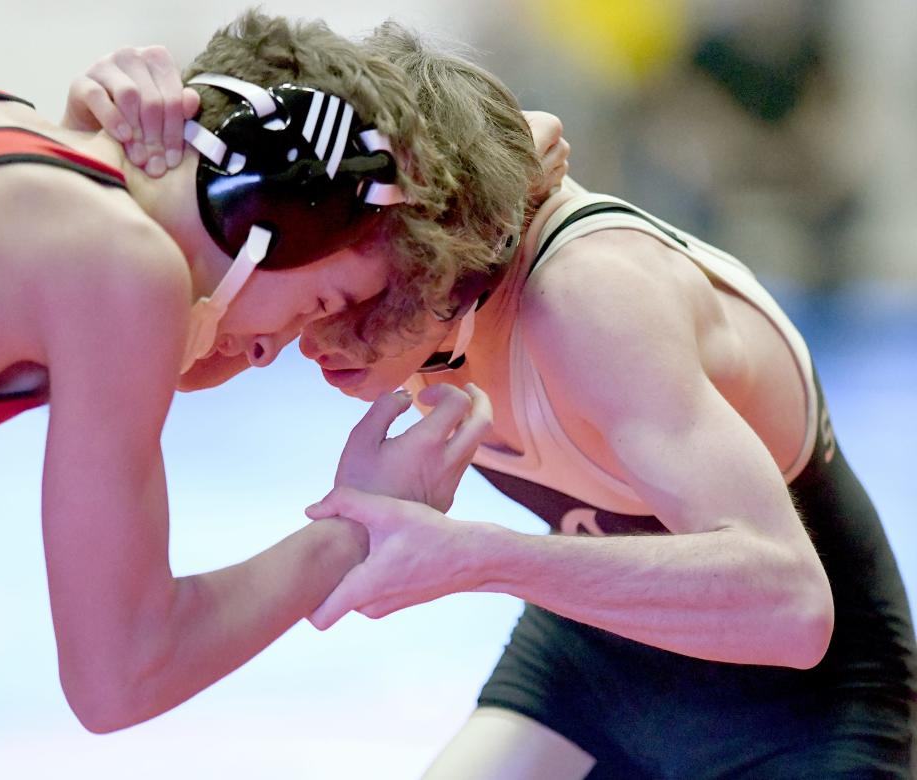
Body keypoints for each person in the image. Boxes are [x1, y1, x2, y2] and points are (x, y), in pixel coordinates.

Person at [75, 18, 916, 779]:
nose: (307, 342)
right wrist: (121, 162)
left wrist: (480, 555)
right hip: (595, 660)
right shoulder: (406, 265)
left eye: (340, 304)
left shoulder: (592, 296)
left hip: (807, 704)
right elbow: (186, 351)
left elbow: (792, 607)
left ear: (435, 258)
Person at [0, 12, 567, 734]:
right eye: (318, 302)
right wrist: (362, 524)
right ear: (257, 208)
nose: (266, 350)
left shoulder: (0, 114)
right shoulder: (122, 271)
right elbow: (122, 677)